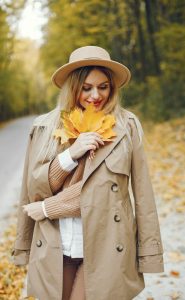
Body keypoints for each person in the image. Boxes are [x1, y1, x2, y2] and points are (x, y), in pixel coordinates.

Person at [12, 45, 164, 300]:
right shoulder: (43, 127)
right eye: (87, 87)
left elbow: (144, 195)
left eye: (103, 86)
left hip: (108, 249)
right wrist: (70, 155)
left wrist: (148, 254)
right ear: (74, 87)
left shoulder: (126, 127)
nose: (96, 95)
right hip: (54, 244)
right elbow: (32, 192)